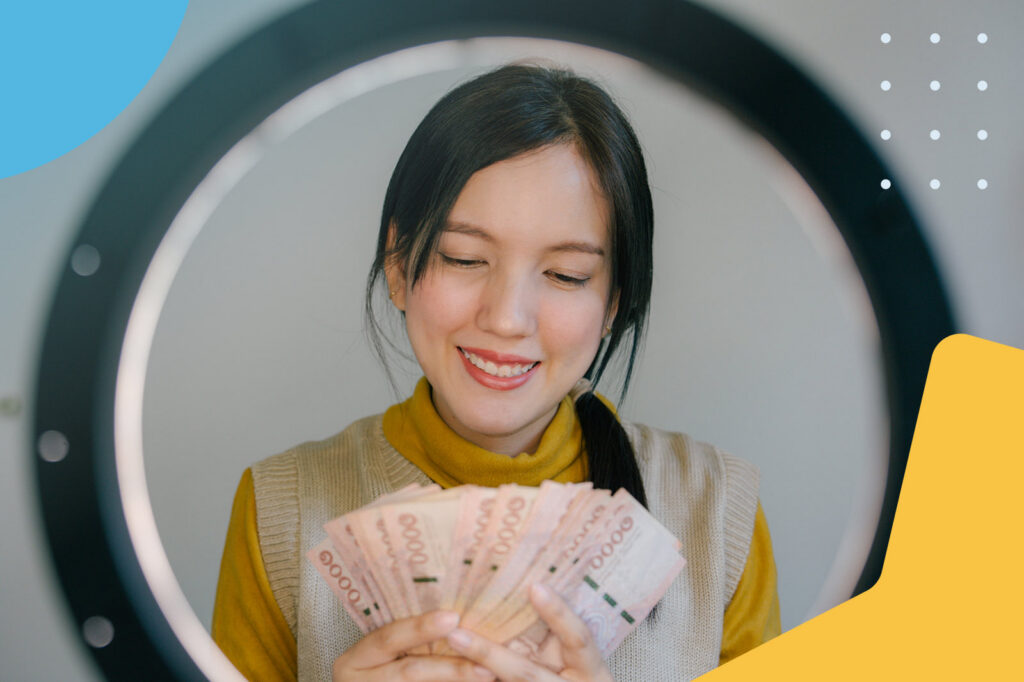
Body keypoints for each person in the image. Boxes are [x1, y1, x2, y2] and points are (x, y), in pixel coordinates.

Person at [212, 63, 780, 682]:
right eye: (464, 258)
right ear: (399, 266)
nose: (507, 319)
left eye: (566, 274)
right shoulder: (281, 508)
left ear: (614, 300)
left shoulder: (714, 511)